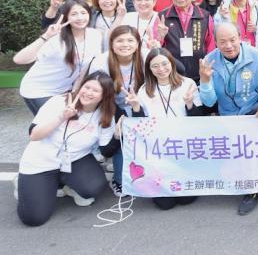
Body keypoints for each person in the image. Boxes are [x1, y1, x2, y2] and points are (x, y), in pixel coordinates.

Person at [16, 72, 118, 226]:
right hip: (41, 162)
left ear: (104, 96)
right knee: (34, 218)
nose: (88, 92)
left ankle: (64, 183)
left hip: (74, 159)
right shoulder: (59, 102)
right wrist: (61, 117)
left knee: (94, 187)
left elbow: (106, 151)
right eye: (86, 87)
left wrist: (116, 136)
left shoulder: (105, 115)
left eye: (96, 90)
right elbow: (34, 135)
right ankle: (25, 183)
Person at [199, 23, 258, 215]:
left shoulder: (256, 56)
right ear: (215, 42)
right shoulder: (209, 61)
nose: (228, 45)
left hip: (254, 112)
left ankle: (253, 191)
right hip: (229, 116)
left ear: (240, 37)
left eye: (233, 40)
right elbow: (209, 102)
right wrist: (205, 82)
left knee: (251, 152)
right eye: (222, 41)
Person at [130, 48, 202, 209]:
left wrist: (190, 104)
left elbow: (198, 121)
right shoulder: (144, 90)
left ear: (172, 63)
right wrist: (135, 107)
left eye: (164, 64)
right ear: (149, 69)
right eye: (155, 66)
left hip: (184, 145)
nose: (161, 69)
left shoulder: (187, 84)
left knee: (186, 199)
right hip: (158, 147)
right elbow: (140, 124)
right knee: (165, 204)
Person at [16, 0, 103, 114]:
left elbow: (85, 66)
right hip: (38, 90)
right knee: (52, 123)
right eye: (74, 14)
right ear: (66, 17)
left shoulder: (95, 35)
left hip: (63, 91)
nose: (80, 17)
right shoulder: (57, 39)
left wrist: (75, 92)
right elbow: (19, 59)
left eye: (83, 13)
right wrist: (46, 36)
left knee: (68, 122)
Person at [89, 25, 144, 197]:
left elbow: (176, 68)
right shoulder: (101, 62)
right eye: (120, 40)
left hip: (140, 105)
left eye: (130, 40)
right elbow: (99, 94)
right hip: (110, 106)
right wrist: (121, 116)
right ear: (111, 44)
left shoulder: (145, 55)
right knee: (122, 140)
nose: (125, 44)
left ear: (137, 44)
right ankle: (119, 180)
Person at [156, 0, 215, 83]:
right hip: (172, 74)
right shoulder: (162, 17)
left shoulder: (204, 16)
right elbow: (156, 47)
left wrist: (209, 66)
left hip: (199, 73)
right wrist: (160, 37)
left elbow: (210, 44)